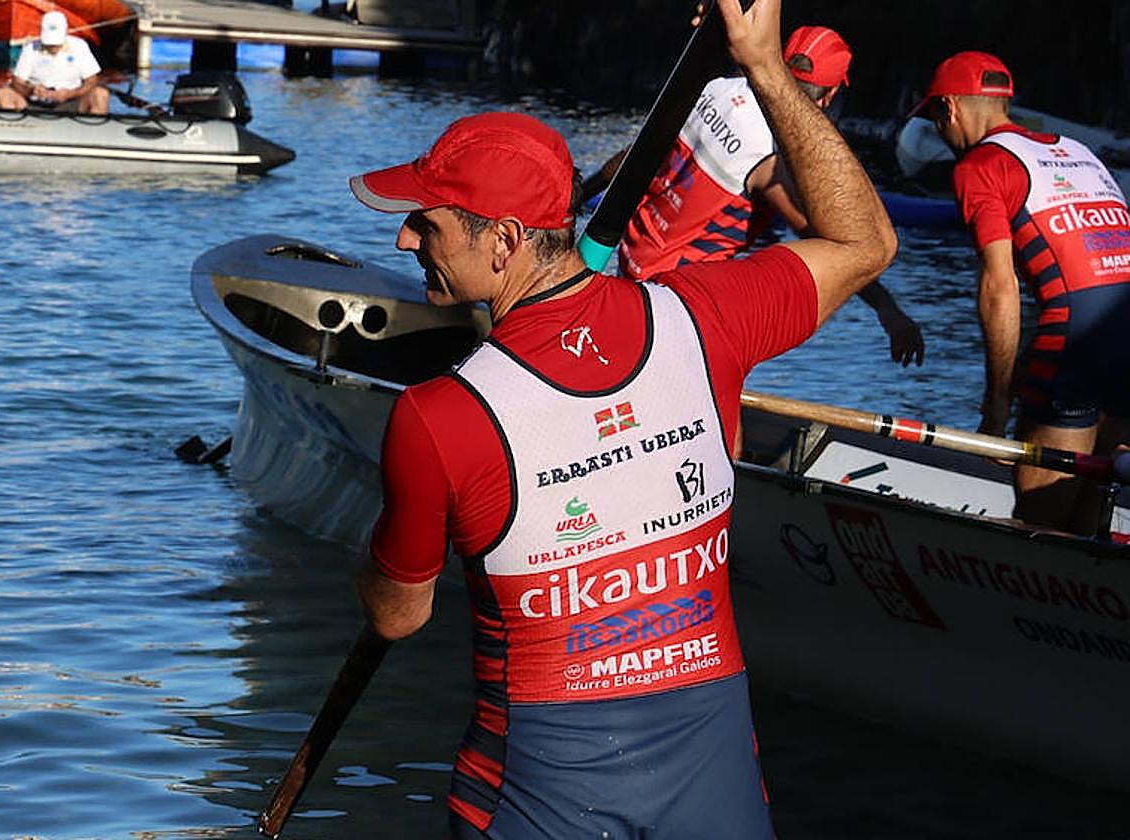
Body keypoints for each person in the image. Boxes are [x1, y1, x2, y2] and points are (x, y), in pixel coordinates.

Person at [347, 0, 896, 836]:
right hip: (714, 777)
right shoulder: (707, 317)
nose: (405, 242)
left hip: (534, 796)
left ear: (502, 243)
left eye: (426, 223)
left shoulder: (437, 417)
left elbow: (398, 615)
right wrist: (767, 69)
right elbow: (866, 243)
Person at [607, 23, 924, 367]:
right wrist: (889, 312)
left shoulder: (717, 88)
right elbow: (838, 246)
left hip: (633, 259)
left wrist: (582, 194)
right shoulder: (770, 159)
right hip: (677, 293)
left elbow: (637, 154)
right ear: (830, 95)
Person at [912, 50, 1130, 534]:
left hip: (1079, 334)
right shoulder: (1080, 151)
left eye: (932, 115)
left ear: (948, 108)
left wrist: (997, 403)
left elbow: (999, 287)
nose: (938, 129)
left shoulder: (981, 166)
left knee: (1041, 525)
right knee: (1096, 498)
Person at [0, 11, 109, 115]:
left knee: (100, 94)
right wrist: (32, 90)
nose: (53, 46)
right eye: (49, 42)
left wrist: (70, 94)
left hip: (72, 102)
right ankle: (15, 132)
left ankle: (94, 134)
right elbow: (17, 82)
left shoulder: (79, 46)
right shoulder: (31, 48)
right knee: (3, 94)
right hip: (35, 103)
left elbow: (91, 81)